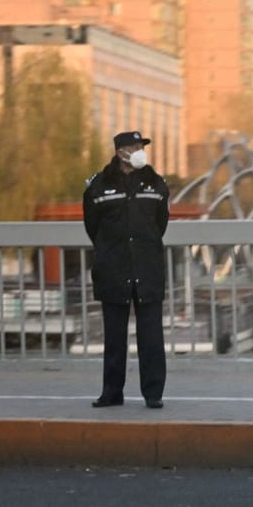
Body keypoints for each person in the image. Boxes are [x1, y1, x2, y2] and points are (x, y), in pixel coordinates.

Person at [83, 130, 169, 409]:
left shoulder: (156, 184)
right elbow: (92, 227)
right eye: (134, 146)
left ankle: (153, 393)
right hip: (113, 270)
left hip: (148, 268)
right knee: (114, 338)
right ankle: (111, 392)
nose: (139, 150)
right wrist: (110, 251)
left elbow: (160, 224)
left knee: (152, 338)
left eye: (141, 146)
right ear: (120, 151)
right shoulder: (98, 186)